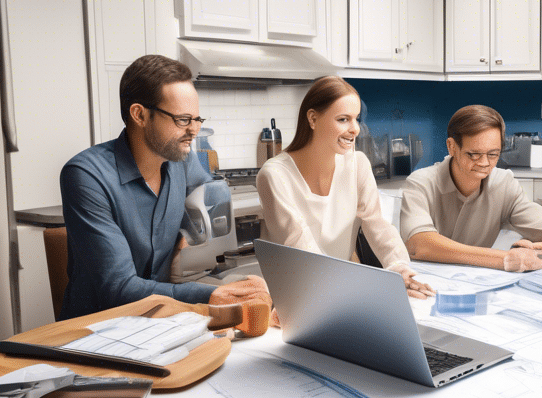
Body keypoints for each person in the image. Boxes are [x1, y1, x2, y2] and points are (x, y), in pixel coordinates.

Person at [60, 55, 270, 321]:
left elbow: (205, 191)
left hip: (161, 322)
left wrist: (186, 230)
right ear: (140, 115)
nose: (194, 131)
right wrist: (210, 294)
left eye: (197, 119)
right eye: (183, 119)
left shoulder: (180, 161)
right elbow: (119, 289)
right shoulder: (86, 176)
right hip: (97, 332)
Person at [256, 76, 432, 299]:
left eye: (356, 119)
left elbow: (376, 224)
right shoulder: (275, 175)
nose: (355, 129)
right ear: (312, 119)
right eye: (343, 119)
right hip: (292, 297)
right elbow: (302, 249)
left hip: (339, 291)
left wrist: (399, 269)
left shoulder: (357, 164)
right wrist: (371, 286)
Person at [400, 105, 542, 272]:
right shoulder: (421, 182)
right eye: (474, 154)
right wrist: (504, 259)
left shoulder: (504, 184)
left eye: (493, 154)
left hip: (477, 282)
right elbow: (419, 244)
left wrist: (539, 254)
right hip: (425, 280)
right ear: (451, 147)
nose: (485, 163)